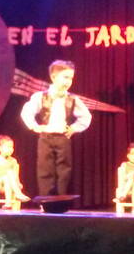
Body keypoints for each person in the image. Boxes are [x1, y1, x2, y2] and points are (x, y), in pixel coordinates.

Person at [20, 60, 92, 196]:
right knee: (45, 170)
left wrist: (74, 128)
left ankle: (61, 200)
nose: (68, 81)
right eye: (65, 77)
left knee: (64, 171)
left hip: (63, 138)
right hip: (46, 138)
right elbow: (27, 112)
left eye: (71, 78)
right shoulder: (41, 97)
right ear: (53, 77)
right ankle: (46, 201)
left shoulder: (72, 99)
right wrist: (34, 126)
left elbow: (86, 116)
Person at [0, 135, 30, 208]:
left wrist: (18, 183)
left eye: (11, 147)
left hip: (9, 182)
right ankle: (18, 194)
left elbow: (16, 175)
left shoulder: (13, 161)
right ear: (0, 148)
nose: (10, 149)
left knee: (8, 178)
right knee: (8, 174)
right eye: (8, 147)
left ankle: (8, 203)